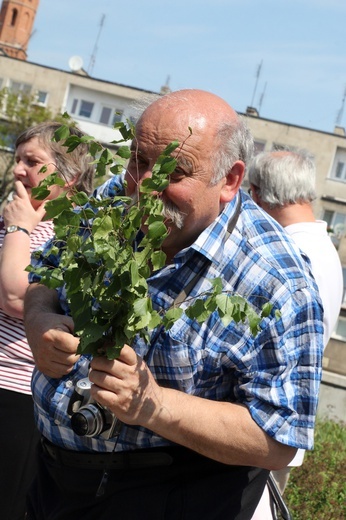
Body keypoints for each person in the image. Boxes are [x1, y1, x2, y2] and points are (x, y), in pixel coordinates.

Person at [23, 90, 324, 520]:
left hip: (169, 497)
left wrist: (155, 405)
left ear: (231, 179)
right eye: (139, 161)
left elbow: (277, 439)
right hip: (55, 481)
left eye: (173, 170)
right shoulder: (117, 195)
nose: (145, 185)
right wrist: (39, 317)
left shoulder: (279, 283)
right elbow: (47, 268)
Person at [0, 121, 95, 520]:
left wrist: (21, 228)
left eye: (33, 162)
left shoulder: (71, 233)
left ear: (70, 177)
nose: (19, 169)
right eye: (17, 159)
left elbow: (16, 296)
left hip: (17, 395)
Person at [247, 148, 343, 519]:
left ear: (255, 194)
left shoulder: (290, 253)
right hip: (280, 425)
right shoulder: (323, 247)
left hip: (262, 428)